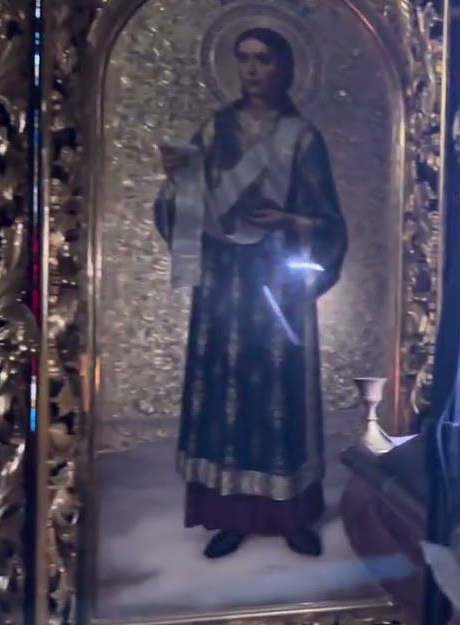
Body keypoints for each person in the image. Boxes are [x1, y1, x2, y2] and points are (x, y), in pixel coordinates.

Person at [154, 28, 348, 559]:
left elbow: (329, 221)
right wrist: (176, 181)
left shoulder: (302, 138)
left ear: (284, 67)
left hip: (279, 281)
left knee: (280, 387)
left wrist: (290, 220)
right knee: (227, 387)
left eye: (263, 60)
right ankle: (229, 514)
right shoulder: (215, 130)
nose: (252, 70)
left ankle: (291, 514)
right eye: (244, 60)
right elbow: (184, 206)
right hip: (224, 282)